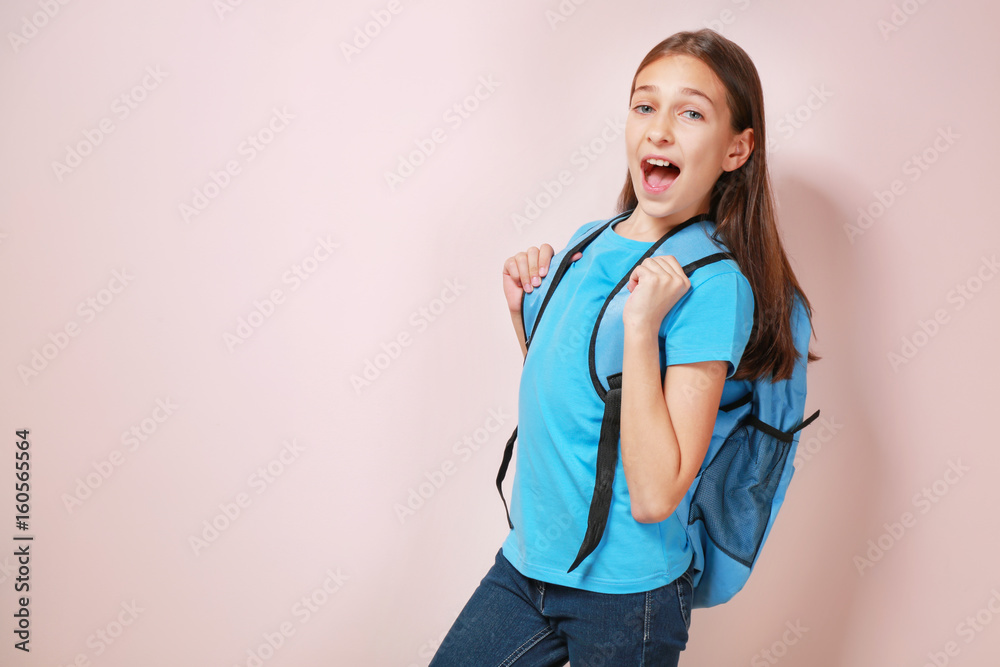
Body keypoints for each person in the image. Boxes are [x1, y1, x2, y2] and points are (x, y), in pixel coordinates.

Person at [428, 28, 819, 667]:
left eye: (691, 113)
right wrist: (522, 313)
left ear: (737, 148)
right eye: (645, 106)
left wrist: (643, 330)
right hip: (528, 565)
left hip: (624, 596)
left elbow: (656, 493)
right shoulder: (590, 239)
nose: (659, 130)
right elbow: (578, 400)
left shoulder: (712, 286)